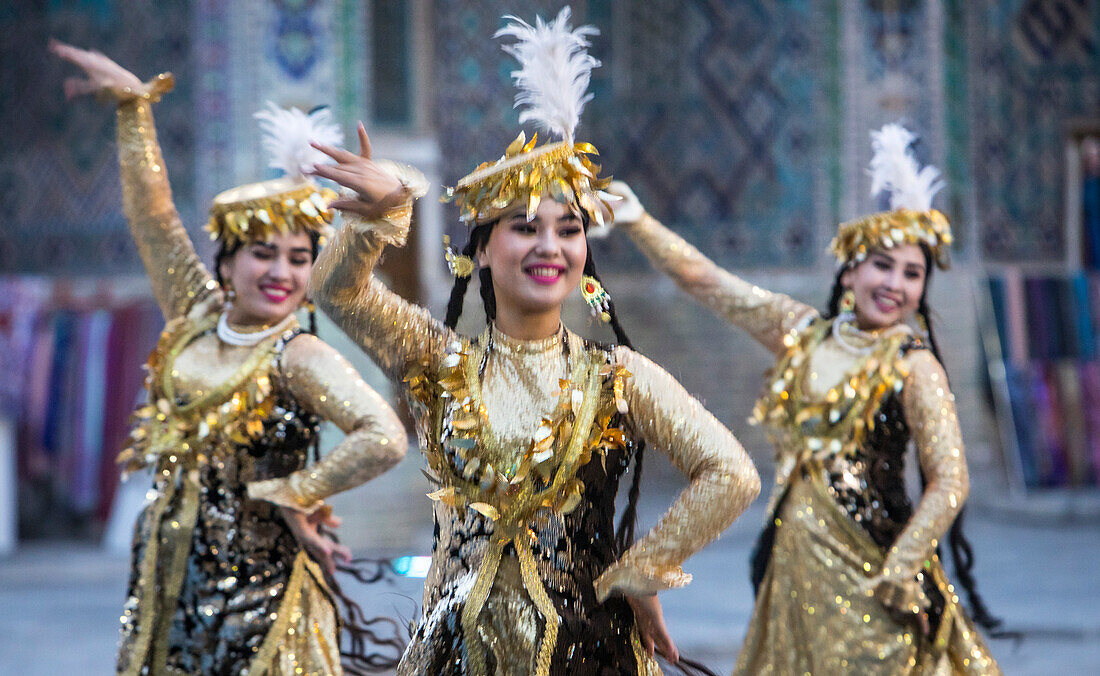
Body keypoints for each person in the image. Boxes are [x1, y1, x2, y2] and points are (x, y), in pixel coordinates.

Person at [296, 9, 760, 675]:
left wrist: (644, 568)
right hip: (458, 654)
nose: (549, 245)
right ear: (482, 251)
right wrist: (384, 214)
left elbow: (733, 474)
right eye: (524, 227)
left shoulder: (618, 376)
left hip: (588, 652)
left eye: (568, 229)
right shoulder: (437, 360)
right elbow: (337, 291)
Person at [51, 40, 410, 675]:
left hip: (264, 601)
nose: (281, 272)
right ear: (225, 262)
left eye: (299, 259)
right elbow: (155, 221)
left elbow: (383, 436)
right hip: (171, 580)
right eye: (262, 254)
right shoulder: (195, 314)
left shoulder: (296, 354)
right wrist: (135, 112)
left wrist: (294, 493)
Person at [609, 124, 1002, 674]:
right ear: (851, 272)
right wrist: (640, 222)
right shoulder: (802, 332)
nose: (895, 283)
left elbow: (950, 479)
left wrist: (903, 567)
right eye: (883, 265)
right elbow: (707, 281)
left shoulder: (916, 367)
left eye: (912, 274)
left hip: (871, 565)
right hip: (793, 563)